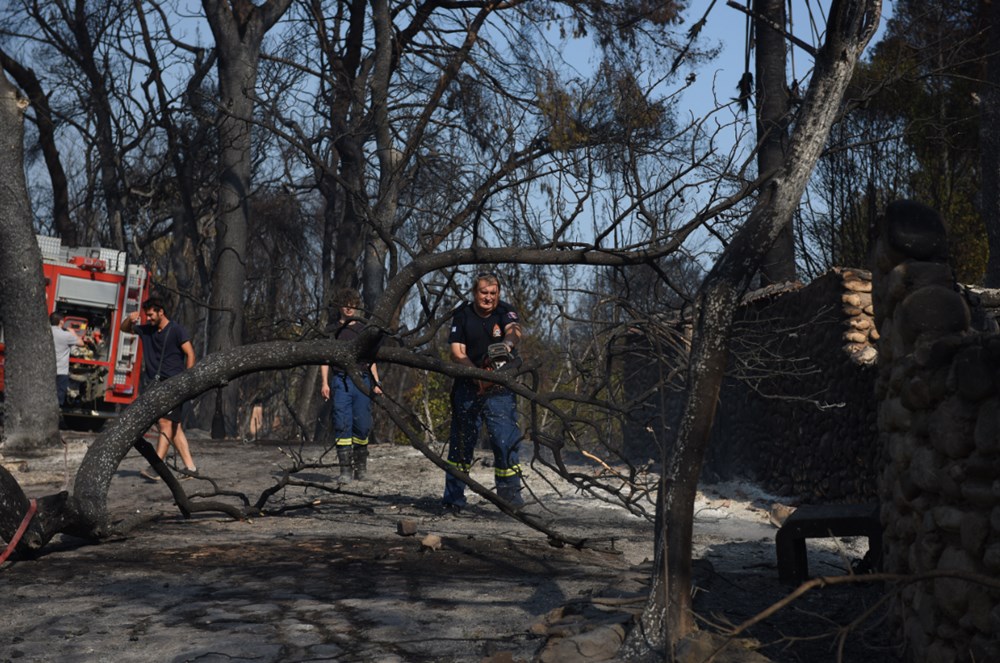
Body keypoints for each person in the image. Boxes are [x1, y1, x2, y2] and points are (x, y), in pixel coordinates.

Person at [442, 272, 525, 513]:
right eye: (483, 292)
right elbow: (457, 352)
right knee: (461, 444)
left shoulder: (505, 311)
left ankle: (510, 500)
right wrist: (476, 374)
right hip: (468, 387)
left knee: (505, 441)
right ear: (475, 293)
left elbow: (515, 330)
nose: (488, 298)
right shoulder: (463, 314)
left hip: (500, 389)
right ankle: (453, 499)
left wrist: (506, 346)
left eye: (493, 293)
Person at [120, 296, 198, 481]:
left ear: (161, 311)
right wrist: (129, 319)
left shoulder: (176, 330)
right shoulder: (148, 330)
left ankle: (157, 467)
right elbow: (124, 329)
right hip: (156, 384)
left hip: (174, 384)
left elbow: (190, 353)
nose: (148, 318)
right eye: (146, 315)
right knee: (175, 428)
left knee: (165, 423)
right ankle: (191, 469)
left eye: (151, 314)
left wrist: (187, 380)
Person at [320, 287, 382, 483]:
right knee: (342, 423)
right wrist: (325, 383)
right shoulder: (332, 331)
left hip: (362, 379)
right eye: (345, 304)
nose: (349, 308)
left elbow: (372, 359)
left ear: (357, 306)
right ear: (339, 306)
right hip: (340, 380)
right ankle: (345, 470)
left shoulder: (364, 330)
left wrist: (376, 382)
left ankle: (361, 469)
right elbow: (324, 359)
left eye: (353, 304)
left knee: (362, 425)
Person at [51, 311, 84, 407]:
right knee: (57, 400)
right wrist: (73, 333)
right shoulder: (66, 335)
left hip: (47, 370)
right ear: (61, 322)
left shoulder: (45, 332)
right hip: (61, 372)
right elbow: (81, 343)